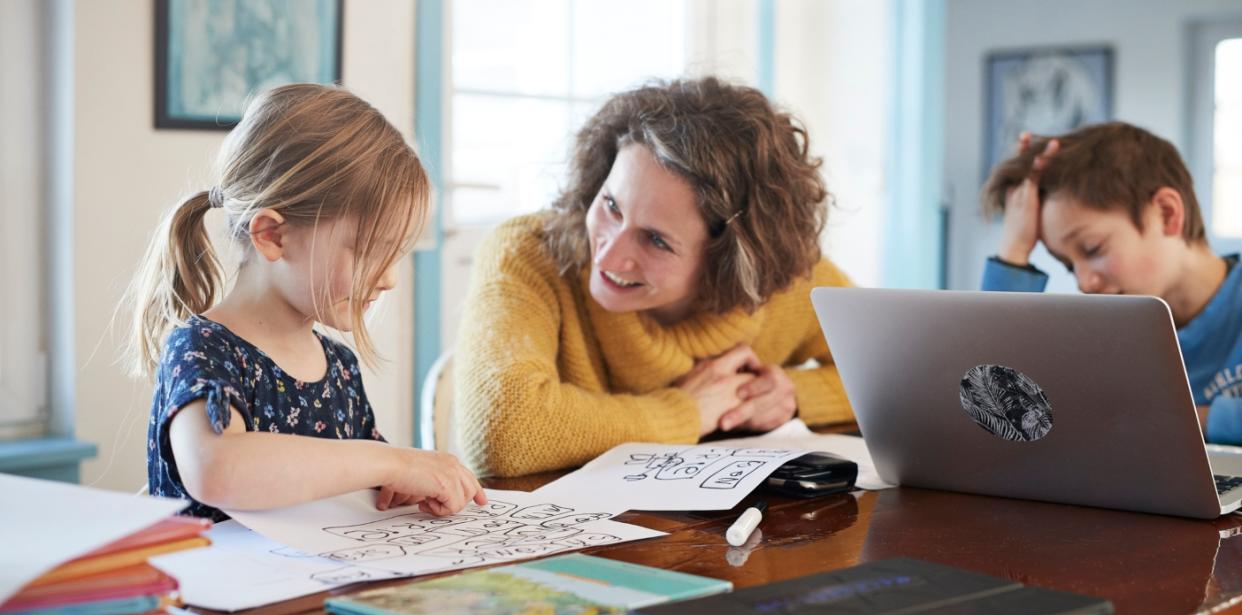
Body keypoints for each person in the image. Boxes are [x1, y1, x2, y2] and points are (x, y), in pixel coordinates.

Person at [454, 77, 856, 477]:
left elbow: (907, 376)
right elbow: (498, 433)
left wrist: (791, 393)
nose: (608, 253)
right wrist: (686, 412)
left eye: (655, 240)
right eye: (611, 205)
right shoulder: (527, 251)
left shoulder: (787, 280)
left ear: (730, 260)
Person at [126, 84, 486, 521]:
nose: (389, 279)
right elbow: (218, 470)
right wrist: (393, 462)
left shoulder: (339, 366)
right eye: (368, 251)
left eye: (395, 257)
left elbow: (364, 486)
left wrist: (405, 484)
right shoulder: (201, 348)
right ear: (272, 236)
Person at [980, 122, 1242, 443]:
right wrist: (1013, 252)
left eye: (1093, 249)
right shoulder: (1107, 328)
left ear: (1166, 213)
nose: (1084, 284)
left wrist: (1184, 420)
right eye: (1067, 265)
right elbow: (995, 408)